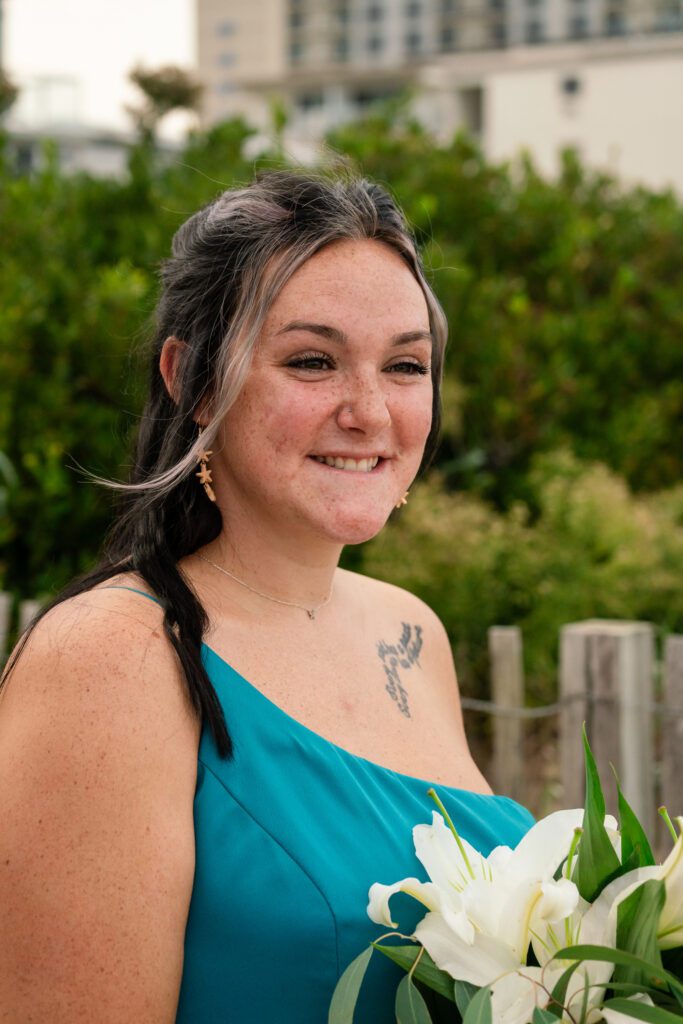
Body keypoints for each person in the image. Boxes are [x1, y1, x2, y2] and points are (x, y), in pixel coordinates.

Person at [0, 169, 533, 1022]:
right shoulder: (108, 662)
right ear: (194, 379)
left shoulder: (411, 632)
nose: (369, 411)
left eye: (404, 365)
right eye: (312, 361)